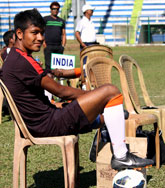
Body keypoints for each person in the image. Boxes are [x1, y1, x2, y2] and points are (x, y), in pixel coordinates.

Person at [0, 9, 153, 170]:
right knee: (110, 91)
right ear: (19, 33)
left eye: (42, 33)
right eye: (35, 33)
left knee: (109, 113)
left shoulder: (14, 58)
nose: (40, 38)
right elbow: (61, 91)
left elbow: (35, 99)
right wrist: (95, 97)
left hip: (41, 121)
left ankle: (109, 120)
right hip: (48, 124)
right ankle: (122, 156)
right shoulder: (23, 61)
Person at [43, 1, 66, 70]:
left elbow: (64, 34)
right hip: (48, 46)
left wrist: (63, 45)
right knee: (48, 66)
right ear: (51, 9)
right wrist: (44, 43)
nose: (55, 10)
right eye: (53, 9)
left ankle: (58, 80)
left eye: (57, 9)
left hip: (58, 46)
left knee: (59, 67)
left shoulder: (61, 21)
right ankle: (49, 80)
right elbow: (41, 32)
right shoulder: (45, 19)